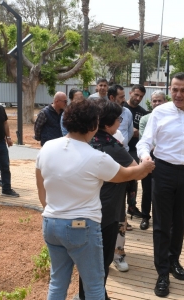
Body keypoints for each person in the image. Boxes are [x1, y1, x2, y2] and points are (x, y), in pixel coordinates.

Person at [35, 100, 154, 300]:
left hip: (51, 222)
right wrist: (146, 164)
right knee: (94, 287)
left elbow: (41, 188)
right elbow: (128, 174)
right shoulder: (96, 157)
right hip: (81, 227)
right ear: (92, 125)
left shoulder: (47, 147)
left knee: (57, 282)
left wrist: (52, 210)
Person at [137, 72, 184, 297]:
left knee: (179, 221)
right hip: (163, 171)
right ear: (170, 89)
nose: (178, 94)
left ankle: (173, 261)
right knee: (161, 223)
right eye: (174, 89)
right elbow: (145, 141)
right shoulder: (159, 112)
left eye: (183, 90)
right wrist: (144, 156)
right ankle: (162, 273)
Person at [75, 100, 138, 300]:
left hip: (82, 208)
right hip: (107, 211)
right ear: (110, 123)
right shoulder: (113, 146)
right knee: (102, 260)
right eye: (119, 120)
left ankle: (90, 294)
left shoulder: (83, 142)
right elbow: (134, 170)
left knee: (87, 260)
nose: (120, 123)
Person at [106, 84, 135, 272]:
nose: (123, 99)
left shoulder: (127, 115)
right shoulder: (101, 139)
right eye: (120, 96)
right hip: (101, 186)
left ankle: (118, 253)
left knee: (120, 215)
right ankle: (103, 255)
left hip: (122, 171)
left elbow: (130, 133)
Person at [138, 90, 167, 230]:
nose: (156, 103)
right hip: (149, 157)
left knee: (162, 190)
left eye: (159, 100)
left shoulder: (170, 118)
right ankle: (145, 216)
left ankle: (160, 218)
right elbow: (144, 139)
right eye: (154, 101)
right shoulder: (145, 119)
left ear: (165, 101)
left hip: (167, 159)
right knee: (147, 189)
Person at [123, 85, 148, 218]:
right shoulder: (121, 109)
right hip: (120, 149)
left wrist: (135, 133)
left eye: (141, 97)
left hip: (134, 149)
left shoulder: (143, 113)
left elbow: (142, 133)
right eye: (136, 95)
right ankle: (119, 209)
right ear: (130, 92)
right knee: (121, 179)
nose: (138, 98)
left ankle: (131, 206)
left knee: (133, 179)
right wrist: (132, 131)